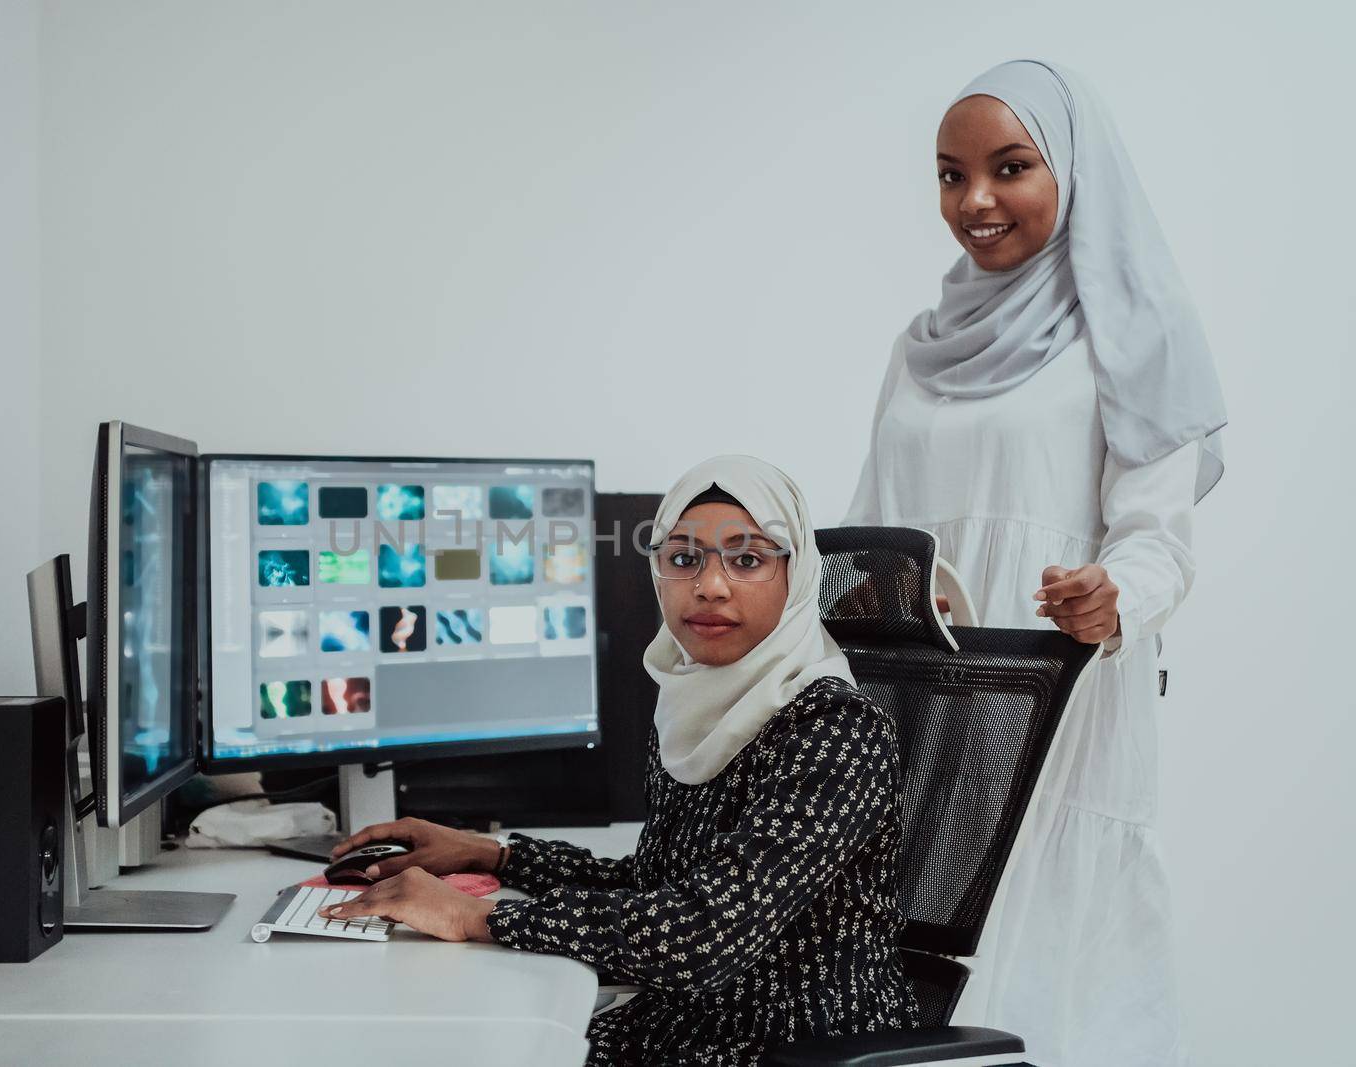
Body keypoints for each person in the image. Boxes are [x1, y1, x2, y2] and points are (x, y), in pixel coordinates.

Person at [844, 59, 1227, 1066]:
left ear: (1072, 168)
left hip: (1060, 702)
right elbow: (867, 529)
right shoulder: (916, 348)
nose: (973, 200)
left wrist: (1115, 593)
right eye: (948, 174)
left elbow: (1158, 539)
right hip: (923, 717)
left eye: (1009, 167)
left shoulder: (1133, 334)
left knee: (1057, 992)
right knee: (924, 992)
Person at [322, 455, 914, 1065]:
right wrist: (494, 854)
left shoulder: (836, 731)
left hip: (790, 1041)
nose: (710, 585)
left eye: (748, 559)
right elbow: (658, 887)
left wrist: (483, 919)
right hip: (688, 1017)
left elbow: (701, 934)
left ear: (797, 578)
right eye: (683, 558)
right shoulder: (695, 704)